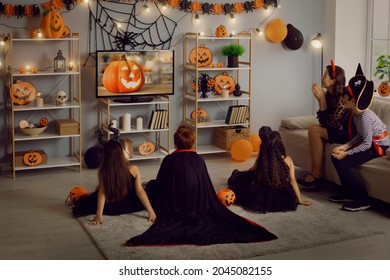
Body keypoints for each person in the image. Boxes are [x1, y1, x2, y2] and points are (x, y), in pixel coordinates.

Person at [125, 125, 277, 246]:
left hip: (175, 201)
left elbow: (163, 185)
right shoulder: (198, 160)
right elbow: (205, 186)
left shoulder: (169, 160)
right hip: (196, 201)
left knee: (152, 187)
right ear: (192, 142)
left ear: (175, 143)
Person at [330, 64, 389, 211]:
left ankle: (362, 199)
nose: (343, 99)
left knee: (343, 162)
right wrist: (345, 146)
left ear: (354, 101)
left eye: (346, 98)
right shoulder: (356, 114)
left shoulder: (364, 117)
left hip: (378, 146)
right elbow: (359, 136)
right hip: (368, 142)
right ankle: (349, 192)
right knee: (335, 157)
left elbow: (367, 143)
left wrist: (347, 153)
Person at [72, 135, 156, 225]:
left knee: (92, 198)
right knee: (152, 186)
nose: (127, 151)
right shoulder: (133, 169)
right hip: (129, 204)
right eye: (125, 149)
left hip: (111, 207)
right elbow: (140, 192)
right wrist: (151, 212)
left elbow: (102, 192)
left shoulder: (103, 171)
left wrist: (99, 215)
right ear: (120, 154)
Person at [227, 126, 313, 213]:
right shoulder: (288, 159)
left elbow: (252, 170)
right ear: (280, 144)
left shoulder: (262, 158)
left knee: (250, 177)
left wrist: (246, 175)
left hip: (263, 190)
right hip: (282, 193)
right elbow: (292, 180)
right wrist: (300, 200)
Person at [297, 60, 355, 187]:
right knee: (314, 130)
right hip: (338, 130)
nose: (321, 77)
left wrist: (321, 100)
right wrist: (321, 99)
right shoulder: (329, 94)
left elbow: (331, 125)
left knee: (314, 130)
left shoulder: (343, 97)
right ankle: (314, 173)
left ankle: (316, 175)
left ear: (333, 81)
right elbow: (324, 123)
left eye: (325, 75)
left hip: (350, 134)